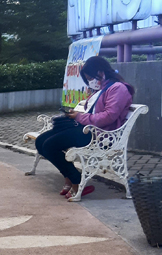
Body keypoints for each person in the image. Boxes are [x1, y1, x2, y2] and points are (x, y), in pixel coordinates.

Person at [34, 56, 133, 200]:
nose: (90, 81)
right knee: (41, 141)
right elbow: (93, 112)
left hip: (100, 135)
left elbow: (108, 117)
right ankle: (69, 176)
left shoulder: (118, 88)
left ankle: (76, 180)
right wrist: (76, 114)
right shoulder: (102, 88)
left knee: (49, 145)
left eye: (90, 77)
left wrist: (78, 117)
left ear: (100, 71)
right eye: (87, 79)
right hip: (87, 129)